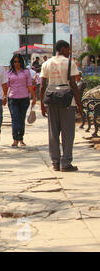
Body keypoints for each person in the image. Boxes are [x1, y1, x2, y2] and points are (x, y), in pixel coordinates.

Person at [40, 40, 82, 172]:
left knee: (53, 133)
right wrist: (79, 104)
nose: (69, 52)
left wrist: (42, 104)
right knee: (68, 133)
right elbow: (74, 85)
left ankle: (55, 162)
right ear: (63, 49)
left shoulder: (46, 63)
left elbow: (42, 86)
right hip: (68, 102)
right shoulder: (70, 63)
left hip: (51, 101)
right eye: (68, 49)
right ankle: (66, 162)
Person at [7, 54, 36, 147]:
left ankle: (21, 138)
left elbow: (29, 85)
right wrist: (3, 96)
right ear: (12, 62)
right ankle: (15, 139)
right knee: (15, 118)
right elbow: (5, 85)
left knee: (21, 119)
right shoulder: (9, 73)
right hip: (13, 98)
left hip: (24, 98)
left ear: (21, 62)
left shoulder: (26, 72)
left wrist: (34, 97)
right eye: (15, 61)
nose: (17, 63)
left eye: (18, 61)